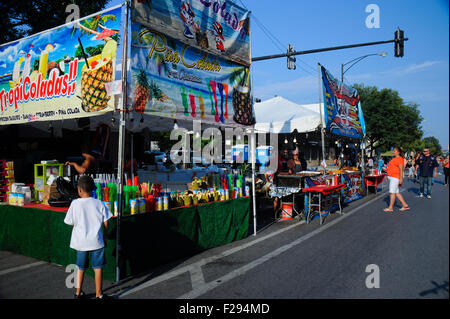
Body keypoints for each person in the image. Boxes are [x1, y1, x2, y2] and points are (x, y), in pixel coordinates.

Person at [64, 175, 112, 299]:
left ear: (79, 190)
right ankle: (99, 294)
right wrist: (105, 237)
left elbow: (70, 221)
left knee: (80, 267)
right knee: (98, 268)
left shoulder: (75, 204)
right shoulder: (99, 203)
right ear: (93, 189)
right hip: (96, 241)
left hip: (80, 242)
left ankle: (78, 293)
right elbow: (106, 221)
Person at [384, 146, 409, 212]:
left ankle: (390, 207)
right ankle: (404, 204)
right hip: (393, 177)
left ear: (398, 152)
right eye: (393, 151)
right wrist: (387, 173)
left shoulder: (399, 159)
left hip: (395, 178)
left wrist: (401, 179)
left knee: (392, 192)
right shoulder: (395, 158)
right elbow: (391, 167)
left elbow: (401, 169)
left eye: (394, 151)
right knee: (396, 192)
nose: (393, 152)